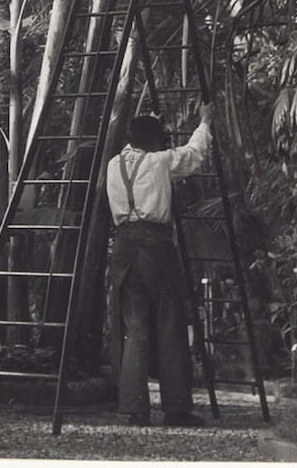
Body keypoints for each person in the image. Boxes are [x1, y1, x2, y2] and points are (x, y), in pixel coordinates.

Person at [105, 101, 214, 427]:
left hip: (124, 249)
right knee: (169, 325)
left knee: (134, 330)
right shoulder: (160, 162)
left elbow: (140, 146)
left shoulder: (113, 165)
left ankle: (134, 408)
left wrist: (149, 125)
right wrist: (205, 121)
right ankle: (176, 408)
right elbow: (193, 154)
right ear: (153, 143)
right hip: (156, 247)